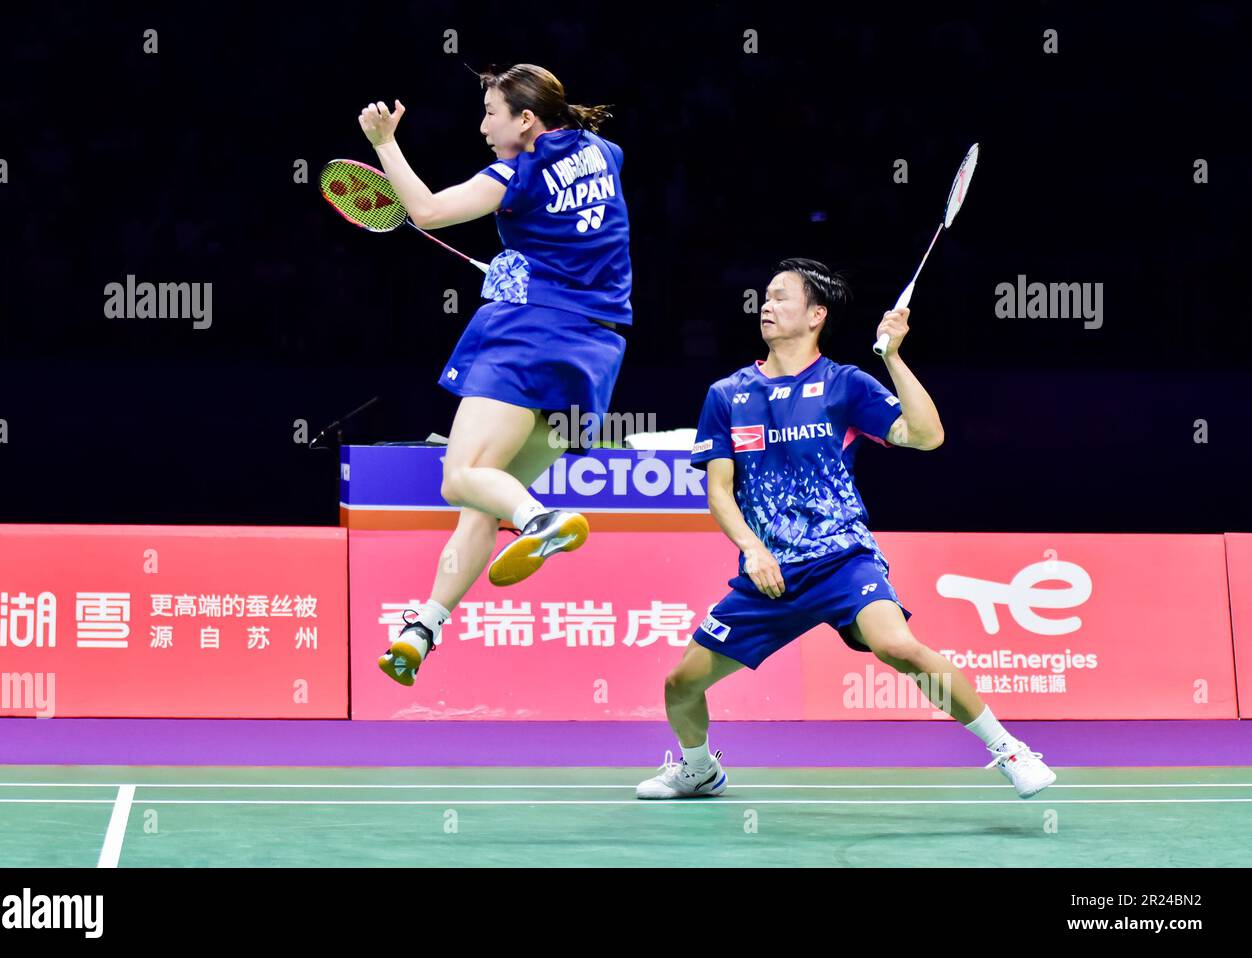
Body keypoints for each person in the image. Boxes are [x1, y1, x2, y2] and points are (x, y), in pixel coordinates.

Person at [636, 258, 1056, 799]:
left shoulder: (843, 384)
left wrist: (895, 358)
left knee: (898, 647)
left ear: (816, 315)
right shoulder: (727, 395)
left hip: (841, 558)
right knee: (681, 684)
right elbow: (719, 491)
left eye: (781, 297)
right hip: (770, 572)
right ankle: (698, 769)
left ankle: (1007, 748)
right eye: (765, 296)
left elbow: (926, 436)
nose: (766, 304)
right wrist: (753, 549)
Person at [358, 64, 632, 686]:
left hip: (532, 338)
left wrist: (384, 144)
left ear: (526, 120)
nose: (483, 126)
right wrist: (524, 263)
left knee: (460, 478)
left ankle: (541, 521)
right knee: (484, 500)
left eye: (491, 113)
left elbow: (425, 212)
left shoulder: (517, 171)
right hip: (593, 355)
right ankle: (424, 625)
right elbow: (576, 235)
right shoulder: (605, 153)